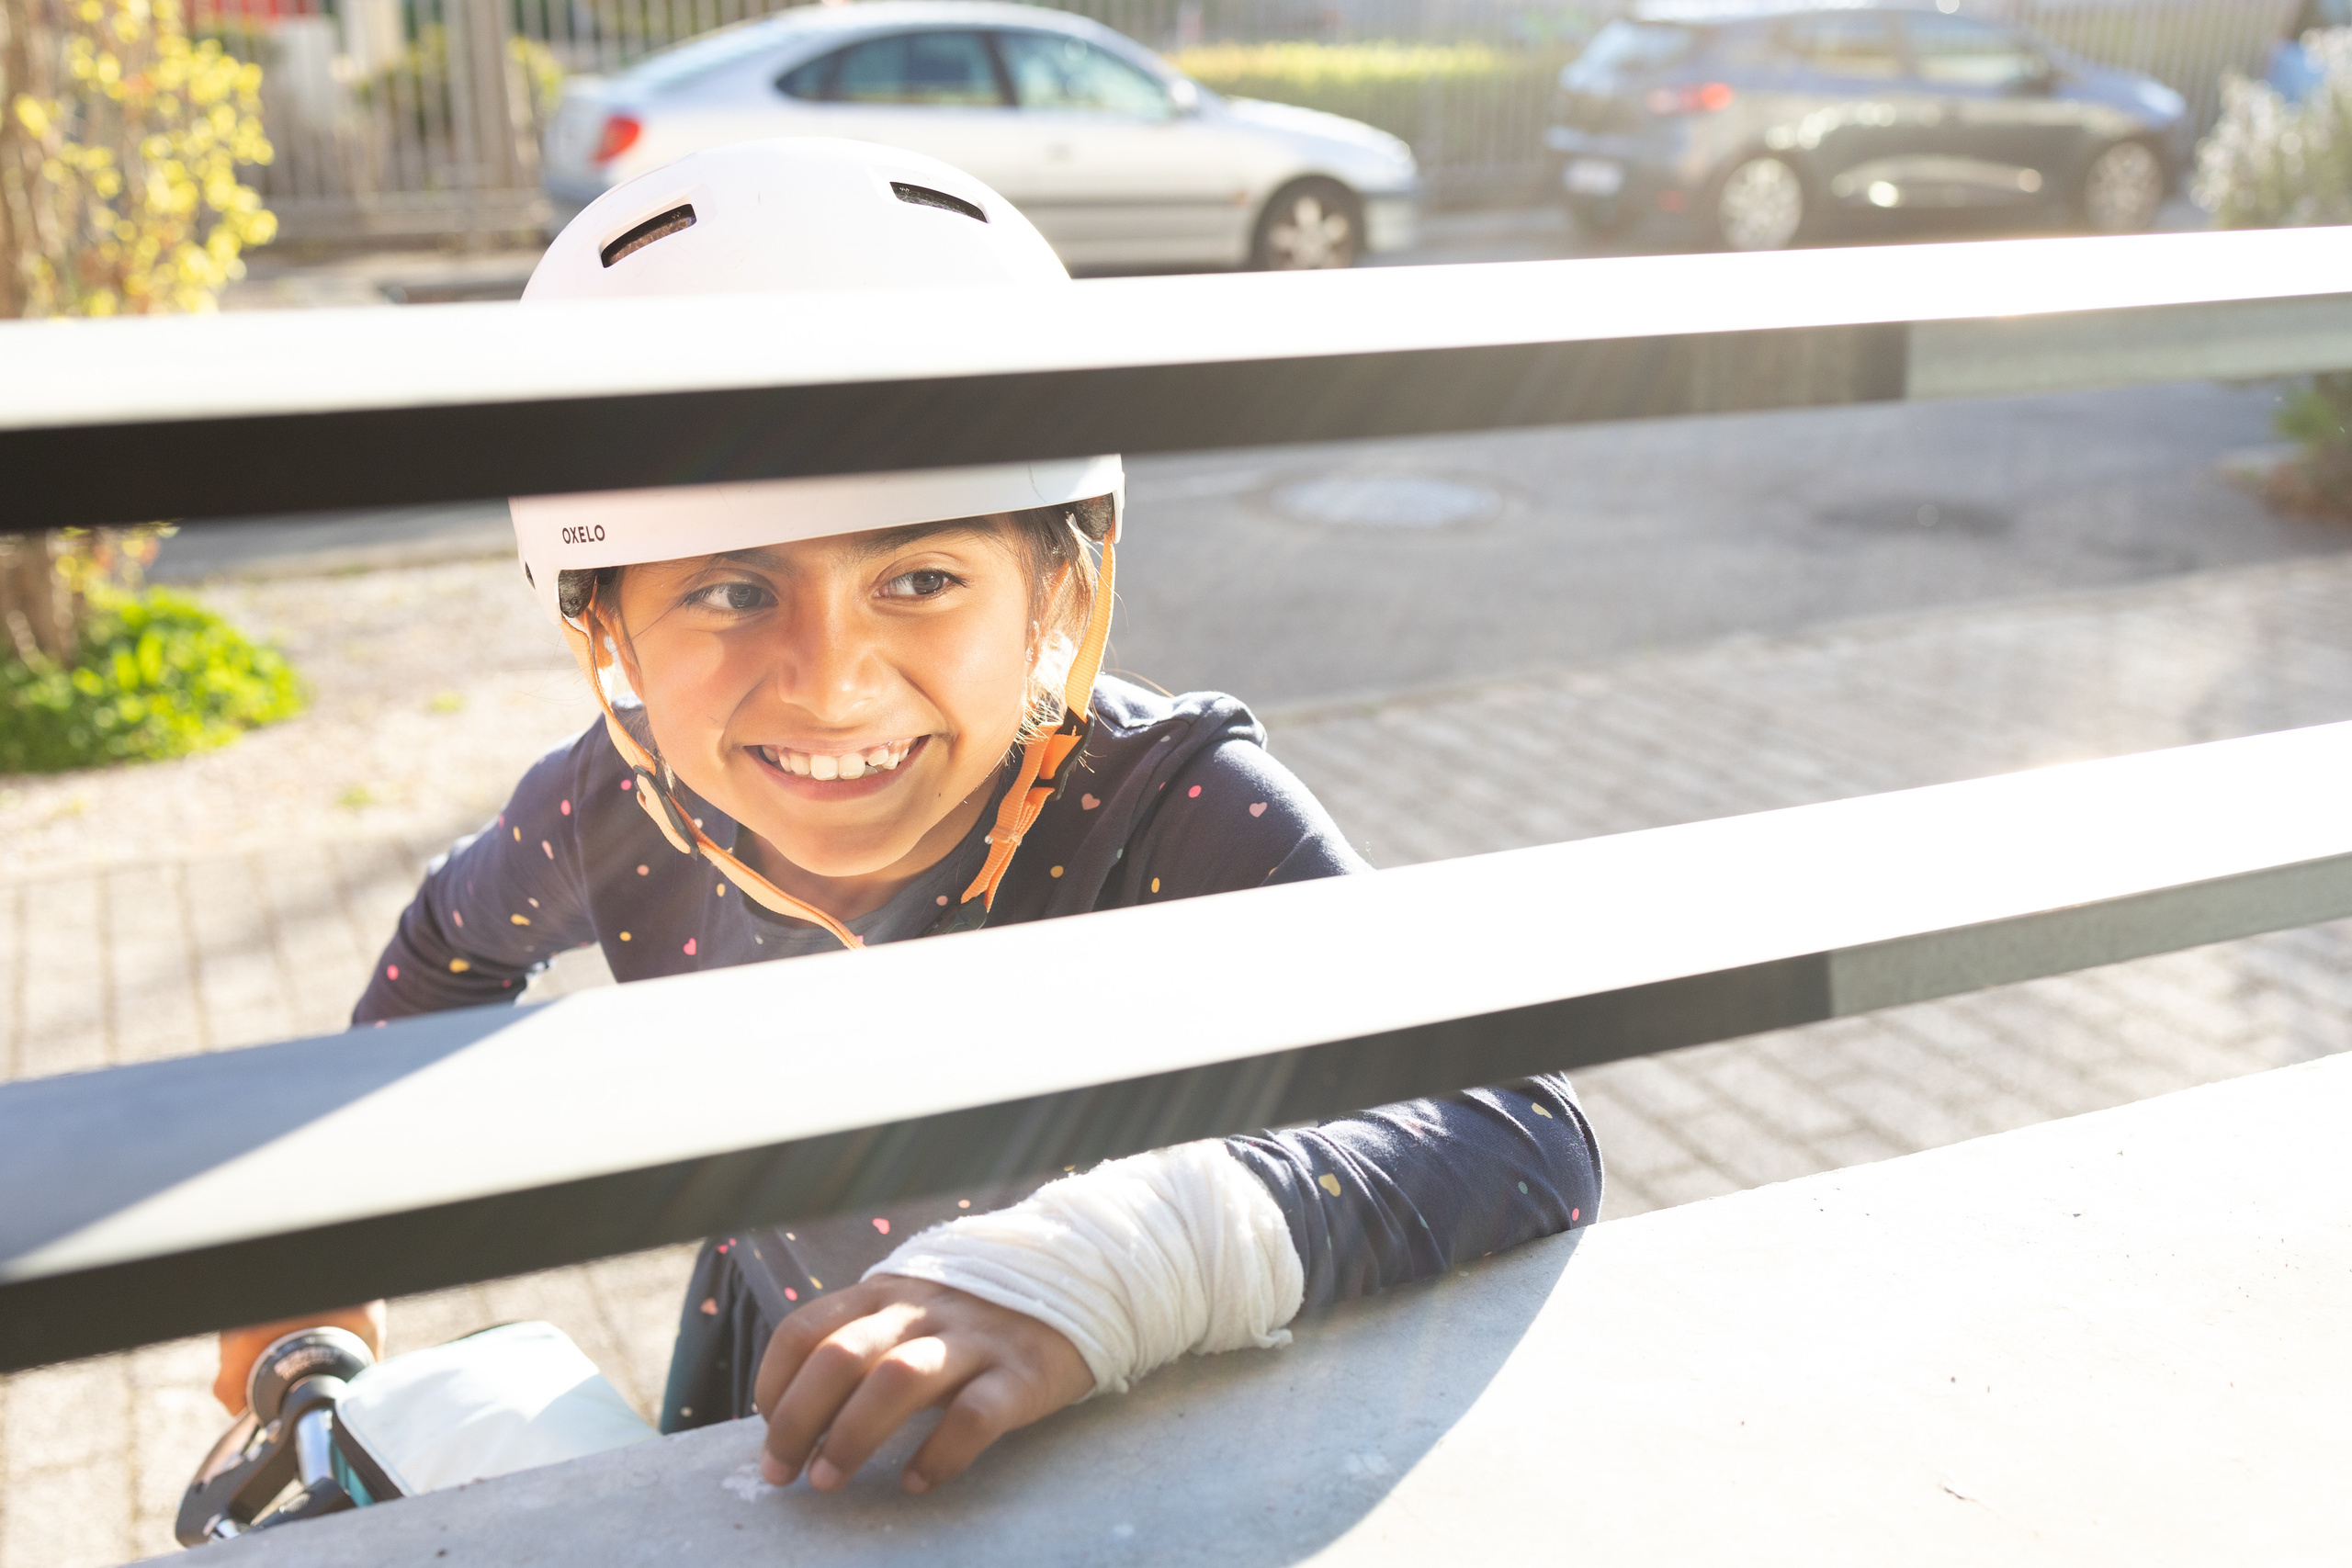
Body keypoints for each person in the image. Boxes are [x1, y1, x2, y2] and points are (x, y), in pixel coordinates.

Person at [215, 138, 1603, 1498]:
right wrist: (324, 1239)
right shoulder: (615, 806)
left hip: (1129, 1446)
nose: (831, 685)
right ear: (602, 626)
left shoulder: (1169, 809)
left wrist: (1084, 1272)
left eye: (924, 578)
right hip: (794, 1388)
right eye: (728, 589)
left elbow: (1507, 1118)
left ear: (1057, 593)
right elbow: (448, 952)